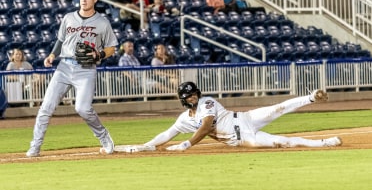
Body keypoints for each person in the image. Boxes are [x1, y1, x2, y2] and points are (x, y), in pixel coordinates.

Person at [26, 0, 119, 157]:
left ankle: (103, 135)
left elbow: (112, 47)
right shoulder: (68, 18)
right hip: (64, 66)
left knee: (83, 108)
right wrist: (52, 55)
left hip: (86, 69)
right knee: (46, 107)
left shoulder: (102, 22)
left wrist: (99, 54)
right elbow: (60, 41)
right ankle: (35, 146)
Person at [121, 81, 342, 152]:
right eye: (188, 97)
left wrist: (187, 144)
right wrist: (148, 145)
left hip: (244, 119)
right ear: (182, 99)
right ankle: (324, 143)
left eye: (194, 94)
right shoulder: (184, 119)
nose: (193, 98)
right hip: (243, 140)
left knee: (277, 108)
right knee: (283, 142)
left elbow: (207, 125)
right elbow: (168, 133)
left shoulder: (207, 102)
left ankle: (311, 97)